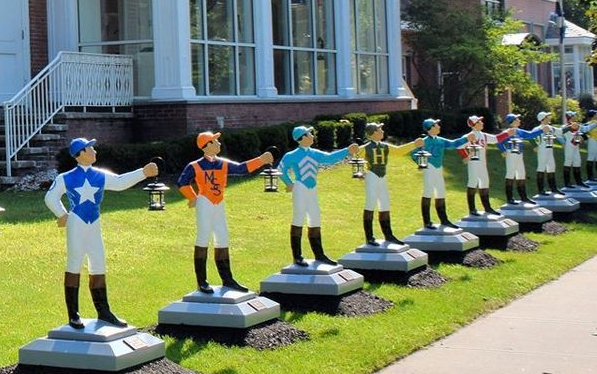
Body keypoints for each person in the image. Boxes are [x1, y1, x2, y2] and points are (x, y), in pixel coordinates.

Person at [44, 138, 158, 328]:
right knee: (74, 263)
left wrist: (142, 173)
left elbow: (119, 182)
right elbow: (50, 197)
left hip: (94, 224)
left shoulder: (99, 175)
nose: (94, 151)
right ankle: (73, 314)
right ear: (80, 153)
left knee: (98, 263)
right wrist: (61, 214)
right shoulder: (65, 177)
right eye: (90, 148)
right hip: (77, 224)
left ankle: (104, 312)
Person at [175, 131, 273, 293]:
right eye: (215, 141)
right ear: (207, 146)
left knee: (222, 237)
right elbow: (182, 182)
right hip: (205, 203)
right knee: (203, 238)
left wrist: (260, 160)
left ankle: (227, 279)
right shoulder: (194, 166)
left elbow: (242, 169)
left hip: (219, 203)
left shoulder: (223, 163)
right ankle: (202, 281)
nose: (219, 143)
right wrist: (192, 197)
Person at [276, 125, 360, 264]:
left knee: (315, 219)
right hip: (300, 188)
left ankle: (319, 255)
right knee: (298, 219)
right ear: (302, 138)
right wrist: (289, 183)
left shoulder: (314, 153)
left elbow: (330, 158)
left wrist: (347, 151)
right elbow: (281, 170)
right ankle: (297, 256)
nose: (312, 136)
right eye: (309, 134)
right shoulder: (291, 155)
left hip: (312, 189)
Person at [355, 121, 418, 246]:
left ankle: (388, 235)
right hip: (372, 176)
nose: (382, 132)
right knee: (370, 204)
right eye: (380, 130)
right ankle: (370, 237)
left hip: (382, 177)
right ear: (373, 133)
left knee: (385, 204)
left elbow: (399, 151)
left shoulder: (385, 146)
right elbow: (356, 158)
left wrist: (414, 144)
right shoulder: (365, 148)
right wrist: (360, 172)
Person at [414, 117, 473, 229]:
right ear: (431, 128)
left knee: (440, 192)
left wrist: (466, 139)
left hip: (438, 168)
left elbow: (453, 144)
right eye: (437, 125)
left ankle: (444, 219)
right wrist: (420, 162)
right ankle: (427, 221)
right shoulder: (424, 142)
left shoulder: (440, 140)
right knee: (428, 192)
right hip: (429, 167)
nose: (439, 126)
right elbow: (414, 153)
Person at [493, 113, 543, 206]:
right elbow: (498, 141)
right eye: (517, 119)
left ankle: (523, 197)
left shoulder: (519, 131)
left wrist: (541, 130)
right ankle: (510, 198)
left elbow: (530, 135)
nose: (519, 121)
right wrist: (503, 150)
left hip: (519, 155)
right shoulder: (507, 132)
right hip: (511, 154)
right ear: (512, 122)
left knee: (521, 174)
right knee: (510, 174)